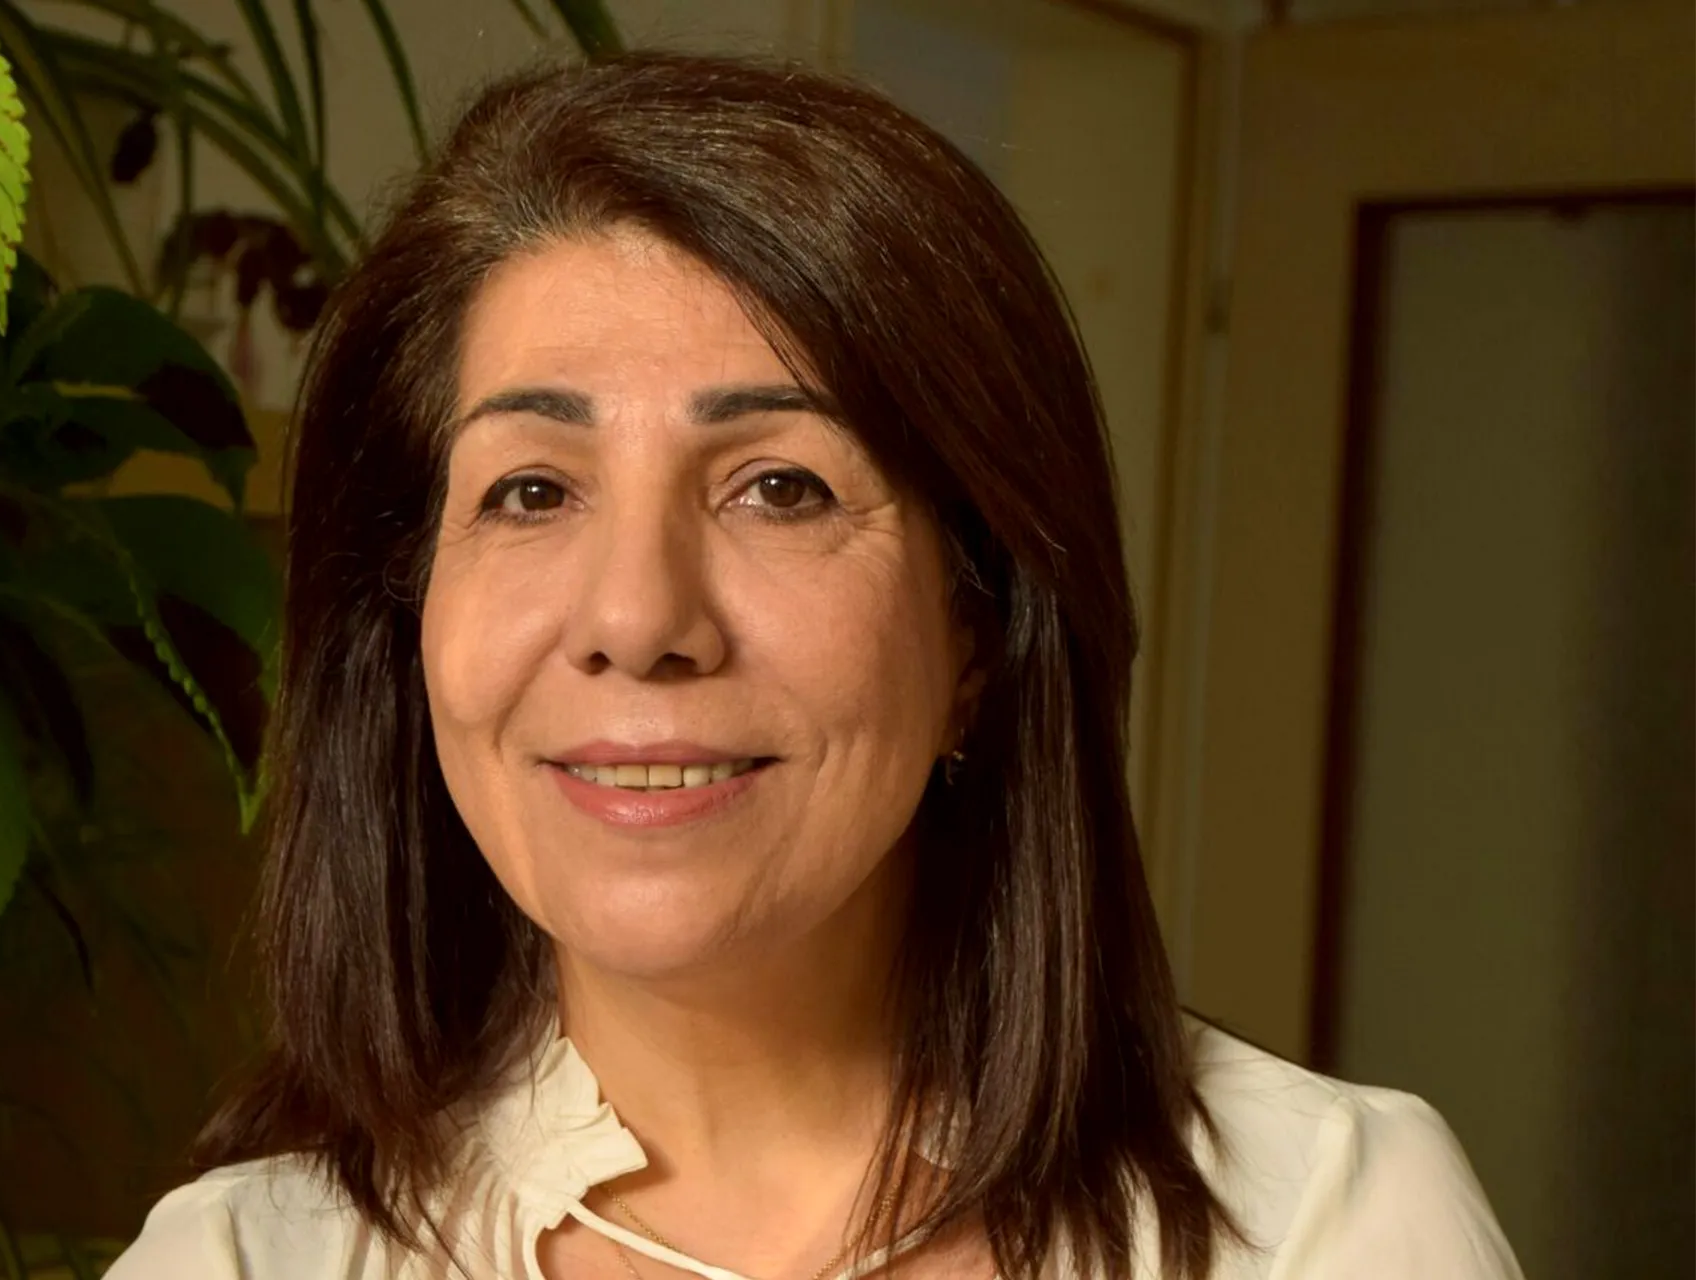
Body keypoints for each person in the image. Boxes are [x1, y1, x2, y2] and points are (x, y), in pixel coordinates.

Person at [107, 52, 1523, 1280]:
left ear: (981, 628)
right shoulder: (238, 1259)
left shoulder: (1322, 1225)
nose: (637, 617)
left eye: (778, 487)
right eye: (533, 491)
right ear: (409, 620)